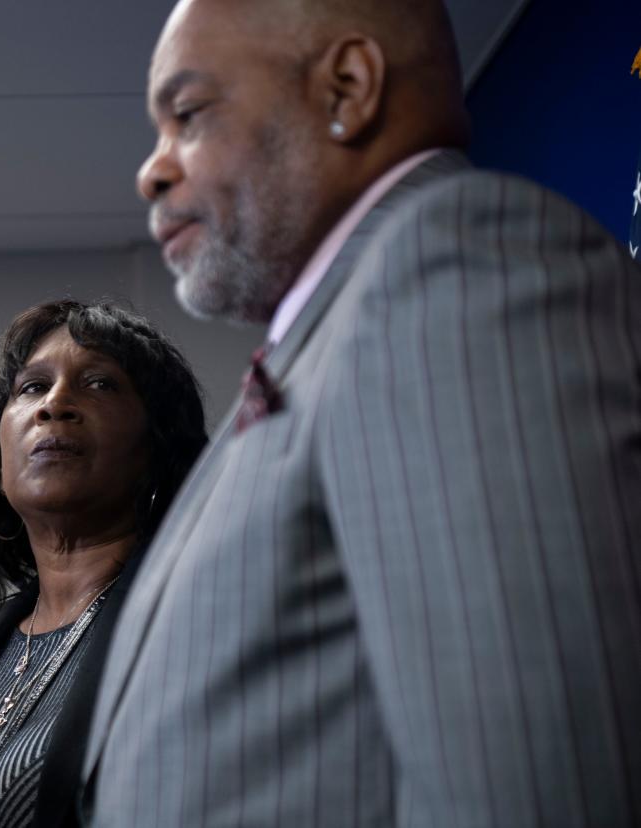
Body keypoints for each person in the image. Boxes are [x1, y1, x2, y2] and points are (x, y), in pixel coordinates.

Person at [82, 0, 641, 825]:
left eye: (188, 114)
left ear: (347, 88)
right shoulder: (331, 339)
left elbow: (538, 790)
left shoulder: (457, 263)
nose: (152, 171)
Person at [0, 300, 207, 828]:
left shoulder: (187, 622)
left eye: (100, 384)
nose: (55, 404)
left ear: (157, 446)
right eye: (32, 387)